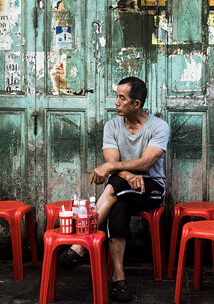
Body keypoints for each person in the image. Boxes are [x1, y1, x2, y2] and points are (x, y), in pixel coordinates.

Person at [59, 77, 170, 302]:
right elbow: (113, 161)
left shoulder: (159, 127)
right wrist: (125, 173)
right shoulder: (112, 126)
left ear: (136, 104)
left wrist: (112, 168)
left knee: (115, 185)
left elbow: (146, 163)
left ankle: (81, 246)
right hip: (122, 187)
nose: (116, 102)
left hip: (152, 189)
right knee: (119, 202)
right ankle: (119, 279)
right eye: (116, 96)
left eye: (122, 98)